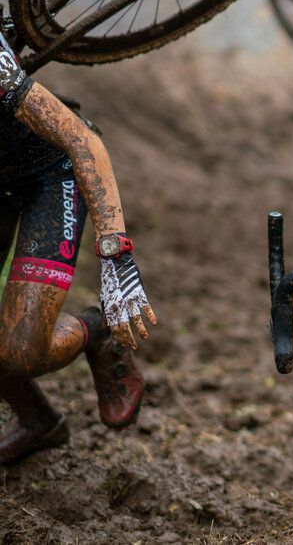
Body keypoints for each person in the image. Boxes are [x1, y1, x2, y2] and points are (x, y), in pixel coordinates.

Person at [0, 30, 156, 464]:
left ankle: (99, 332)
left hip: (49, 172)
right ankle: (36, 421)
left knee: (21, 349)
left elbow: (82, 142)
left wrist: (116, 255)